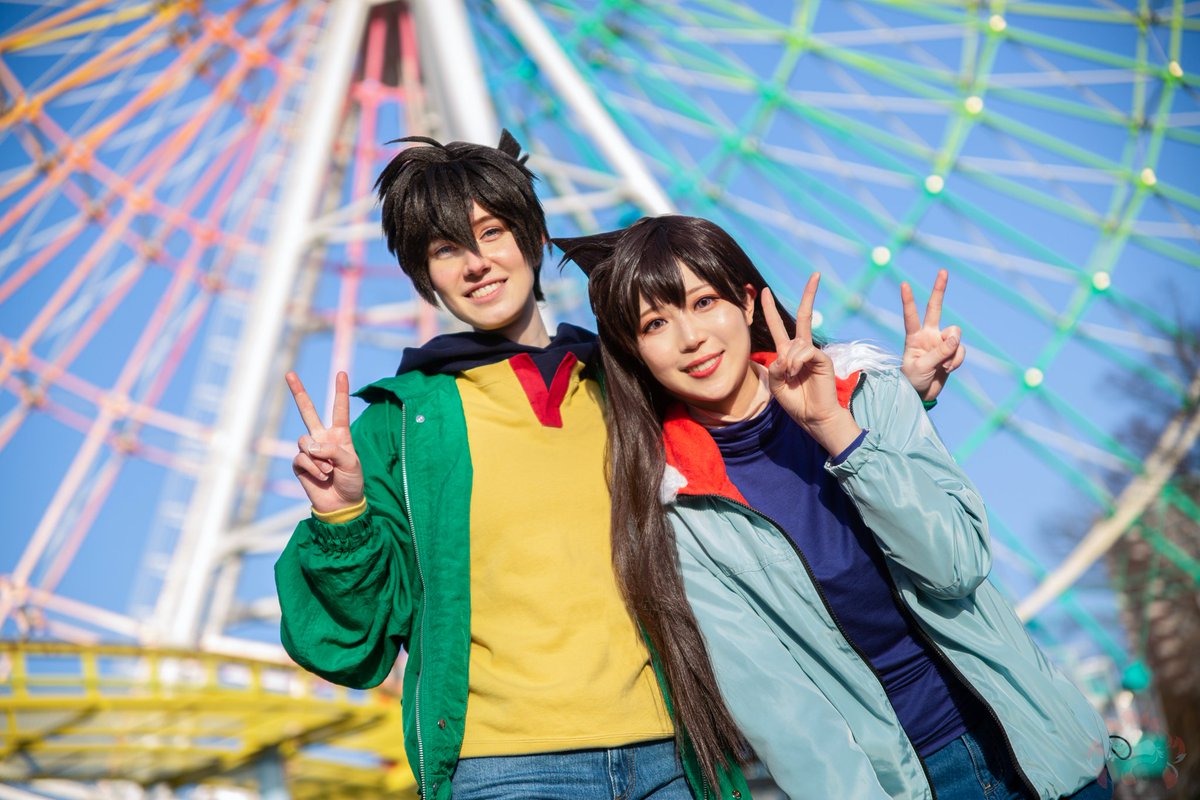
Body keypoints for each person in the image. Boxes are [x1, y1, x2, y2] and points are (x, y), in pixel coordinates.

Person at [274, 131, 963, 800]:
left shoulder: (634, 381)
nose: (476, 263)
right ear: (425, 275)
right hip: (505, 767)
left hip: (675, 756)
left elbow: (772, 433)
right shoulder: (399, 425)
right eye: (446, 249)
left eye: (491, 232)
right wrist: (341, 517)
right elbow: (349, 648)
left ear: (532, 237)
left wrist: (897, 398)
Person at [562, 214, 1114, 800]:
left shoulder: (869, 392)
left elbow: (956, 566)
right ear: (635, 349)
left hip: (1038, 749)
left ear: (747, 301)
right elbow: (779, 707)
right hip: (903, 785)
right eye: (655, 323)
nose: (690, 337)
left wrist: (837, 430)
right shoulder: (678, 509)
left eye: (704, 302)